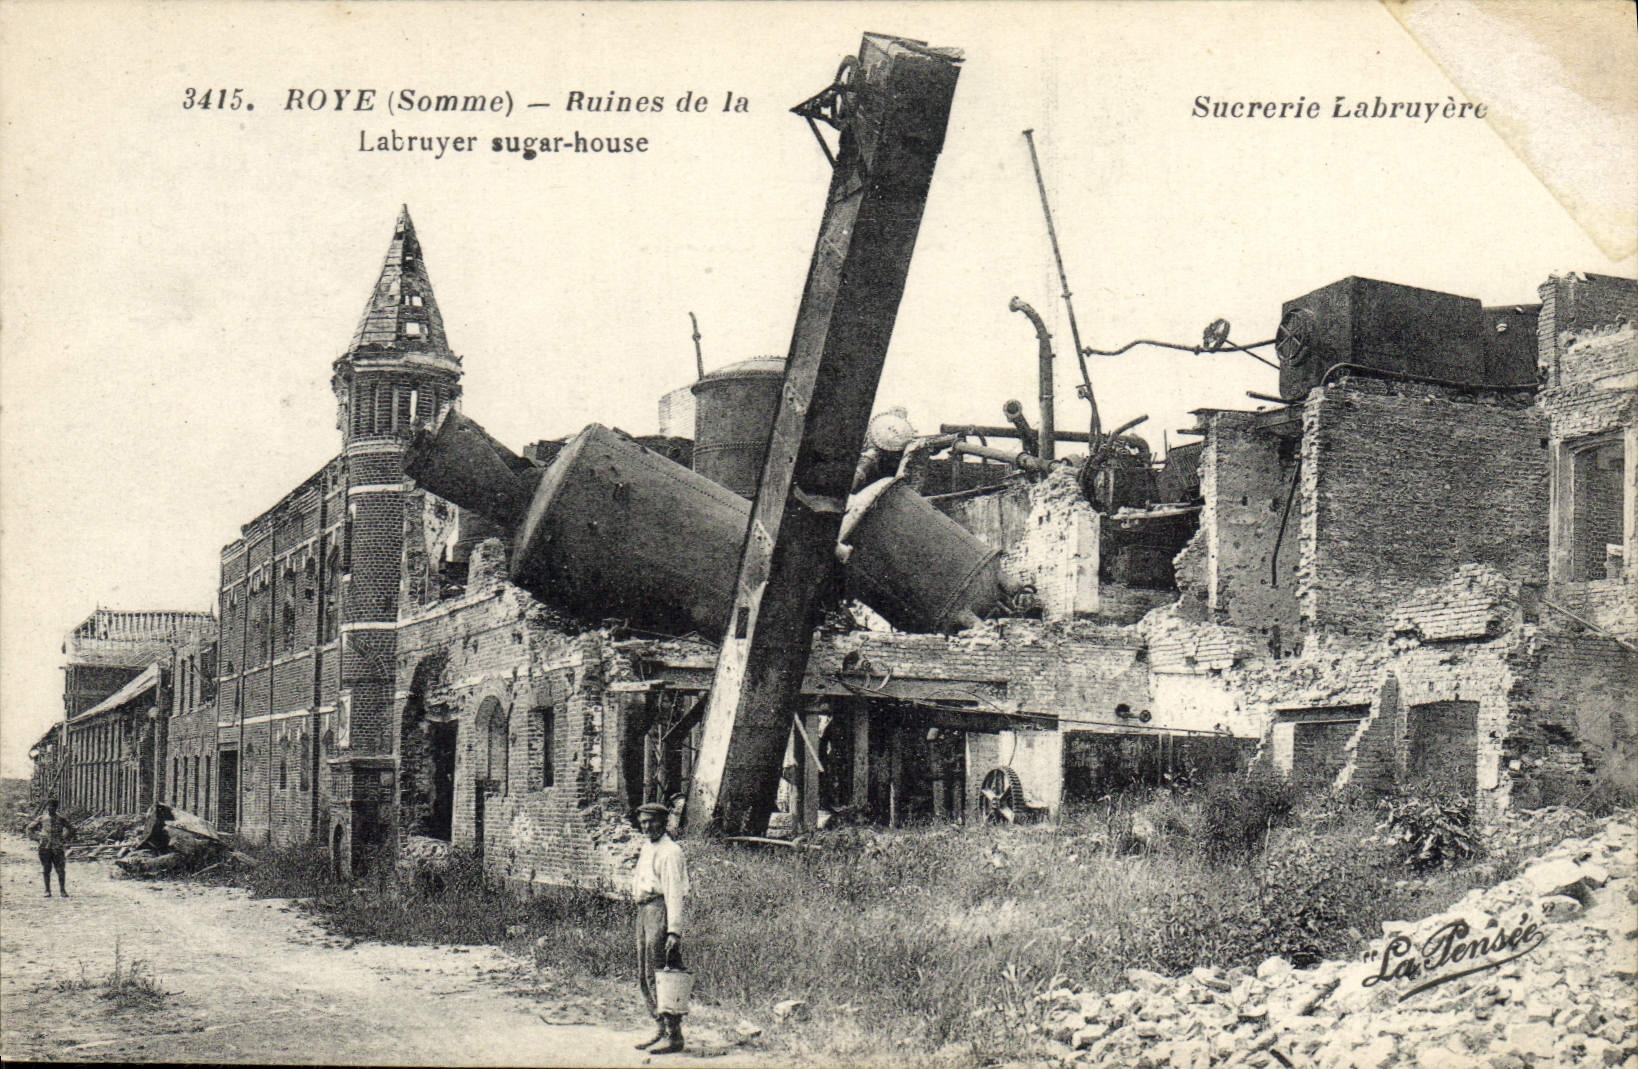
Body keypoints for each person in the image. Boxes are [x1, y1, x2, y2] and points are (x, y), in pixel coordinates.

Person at [632, 801, 689, 1054]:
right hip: (644, 910)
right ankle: (659, 1027)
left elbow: (675, 893)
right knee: (644, 973)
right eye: (643, 822)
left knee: (663, 972)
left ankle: (674, 1034)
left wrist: (673, 930)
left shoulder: (671, 852)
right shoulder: (647, 847)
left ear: (663, 823)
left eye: (651, 821)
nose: (647, 827)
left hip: (660, 910)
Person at [25, 799, 71, 898]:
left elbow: (70, 828)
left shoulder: (61, 819)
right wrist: (37, 838)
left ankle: (62, 890)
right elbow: (30, 828)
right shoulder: (41, 818)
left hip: (57, 847)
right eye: (49, 806)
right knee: (46, 868)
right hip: (44, 847)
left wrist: (63, 838)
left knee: (60, 869)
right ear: (46, 808)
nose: (51, 809)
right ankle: (47, 890)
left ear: (56, 808)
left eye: (53, 807)